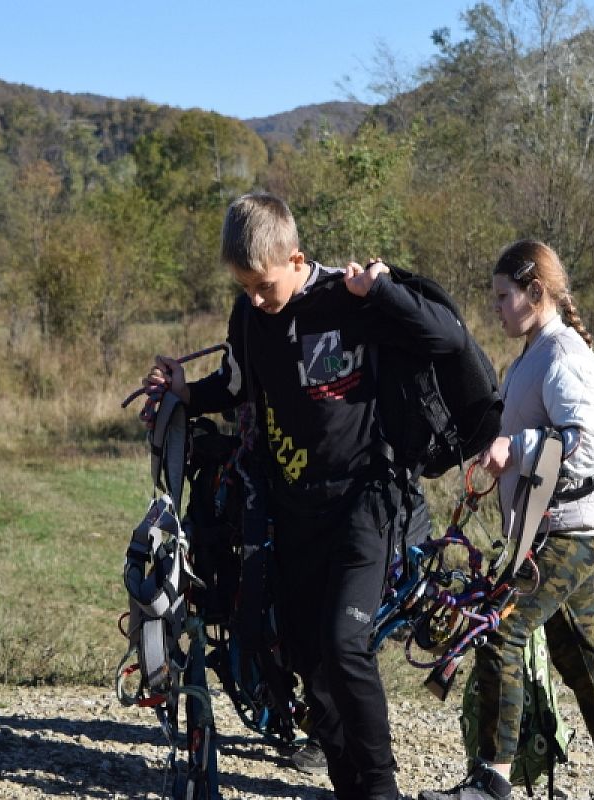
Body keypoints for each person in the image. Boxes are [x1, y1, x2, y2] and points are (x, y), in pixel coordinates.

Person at [144, 192, 463, 800]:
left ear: (297, 257)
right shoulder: (247, 317)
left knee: (345, 646)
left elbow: (445, 341)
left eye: (264, 285)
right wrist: (186, 394)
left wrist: (386, 292)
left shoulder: (350, 302)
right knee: (306, 655)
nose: (257, 299)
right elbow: (237, 386)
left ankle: (380, 788)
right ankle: (349, 786)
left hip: (366, 500)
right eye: (245, 288)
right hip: (293, 511)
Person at [420, 239, 594, 800]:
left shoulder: (564, 358)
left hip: (575, 526)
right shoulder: (535, 353)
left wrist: (516, 448)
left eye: (503, 296)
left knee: (498, 629)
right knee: (577, 653)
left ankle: (490, 782)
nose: (495, 307)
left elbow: (592, 448)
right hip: (554, 525)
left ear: (535, 292)